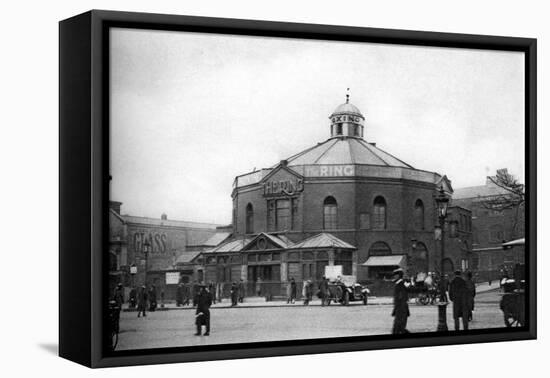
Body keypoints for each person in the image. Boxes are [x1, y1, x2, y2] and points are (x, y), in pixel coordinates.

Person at [391, 268, 411, 334]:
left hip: (401, 309)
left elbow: (401, 297)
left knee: (398, 328)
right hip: (400, 309)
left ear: (399, 275)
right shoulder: (398, 283)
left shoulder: (401, 284)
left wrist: (398, 309)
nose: (394, 276)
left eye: (395, 275)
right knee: (400, 328)